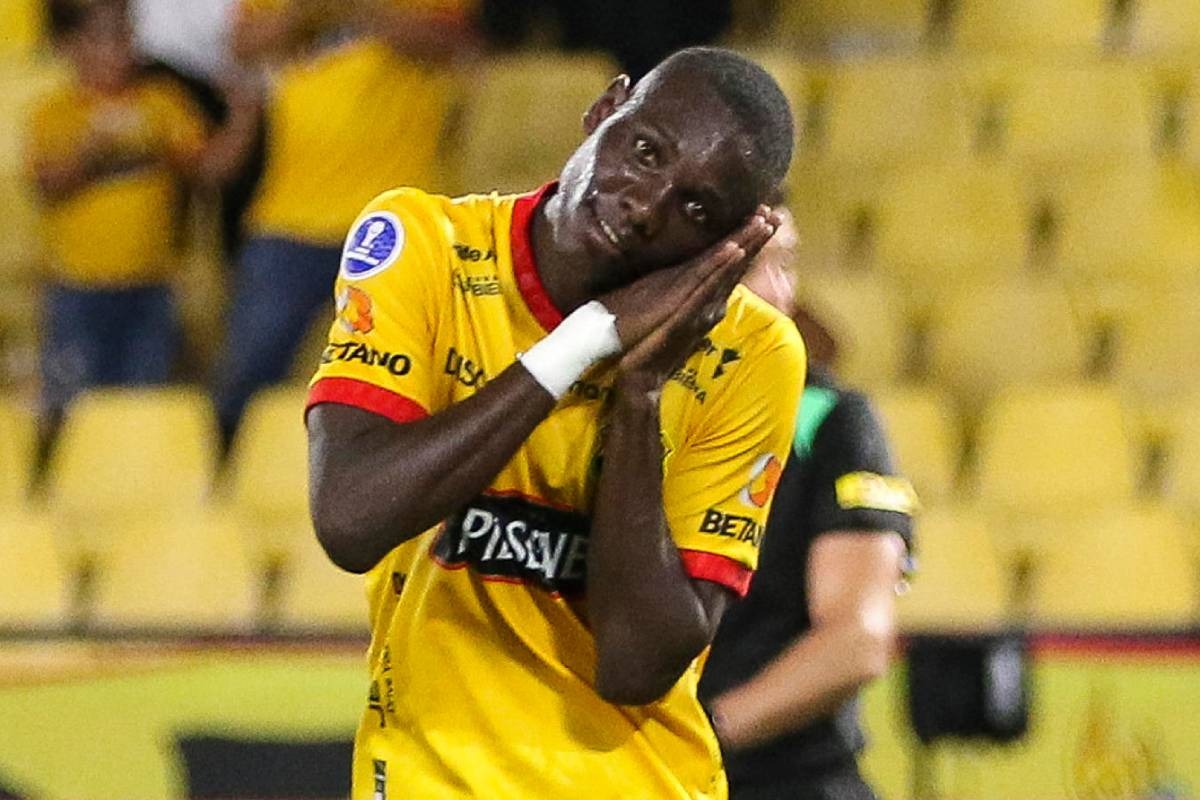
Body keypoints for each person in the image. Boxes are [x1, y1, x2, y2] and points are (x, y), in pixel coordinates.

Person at [306, 47, 805, 798]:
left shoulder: (752, 352)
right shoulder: (427, 246)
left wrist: (639, 392)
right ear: (605, 110)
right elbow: (349, 517)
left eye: (696, 209)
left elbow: (636, 666)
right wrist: (585, 342)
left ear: (728, 243)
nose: (645, 206)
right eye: (645, 152)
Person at [698, 211, 918, 800]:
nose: (778, 292)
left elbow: (856, 641)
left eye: (787, 264)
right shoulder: (612, 407)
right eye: (752, 267)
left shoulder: (831, 420)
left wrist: (695, 741)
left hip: (782, 783)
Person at [210, 0, 479, 455]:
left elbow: (450, 42)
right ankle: (222, 485)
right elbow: (243, 45)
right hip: (288, 219)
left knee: (423, 375)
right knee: (246, 376)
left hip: (396, 223)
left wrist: (346, 9)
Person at [26, 0, 259, 458]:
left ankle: (139, 490)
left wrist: (245, 114)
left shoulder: (161, 104)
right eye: (104, 38)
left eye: (126, 36)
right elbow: (48, 182)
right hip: (76, 291)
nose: (120, 50)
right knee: (71, 410)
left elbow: (211, 170)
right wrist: (95, 148)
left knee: (145, 406)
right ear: (69, 47)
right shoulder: (55, 112)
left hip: (151, 287)